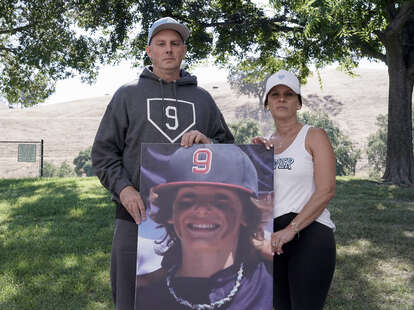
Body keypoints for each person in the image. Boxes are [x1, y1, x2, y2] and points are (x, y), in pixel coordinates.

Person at [91, 17, 234, 310]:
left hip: (194, 220)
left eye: (175, 44)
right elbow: (104, 153)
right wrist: (124, 190)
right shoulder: (127, 95)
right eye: (161, 44)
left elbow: (230, 150)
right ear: (149, 51)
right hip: (136, 217)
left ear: (183, 50)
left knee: (188, 300)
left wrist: (210, 145)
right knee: (131, 299)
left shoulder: (203, 99)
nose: (168, 49)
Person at [135, 144, 273, 310]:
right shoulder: (146, 296)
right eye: (188, 199)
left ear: (245, 213)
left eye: (220, 200)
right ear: (171, 213)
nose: (201, 210)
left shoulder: (270, 285)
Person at [252, 70, 336, 310]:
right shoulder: (264, 144)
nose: (281, 99)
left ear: (298, 103)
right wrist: (253, 157)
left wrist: (292, 229)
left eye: (288, 94)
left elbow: (327, 189)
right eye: (275, 94)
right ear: (267, 103)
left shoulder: (313, 136)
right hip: (273, 238)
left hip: (309, 234)